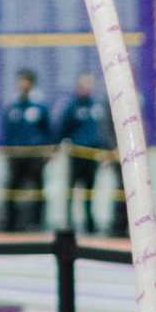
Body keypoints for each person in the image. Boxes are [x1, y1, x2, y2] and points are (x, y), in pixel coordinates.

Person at [56, 74, 113, 234]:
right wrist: (57, 147)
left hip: (92, 155)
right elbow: (63, 128)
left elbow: (103, 131)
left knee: (90, 191)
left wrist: (106, 152)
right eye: (84, 85)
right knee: (72, 189)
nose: (87, 88)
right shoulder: (72, 106)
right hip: (76, 155)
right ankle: (68, 222)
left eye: (89, 85)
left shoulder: (96, 107)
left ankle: (90, 223)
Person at [0, 69, 52, 232]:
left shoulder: (39, 107)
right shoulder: (12, 107)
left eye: (26, 81)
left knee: (37, 189)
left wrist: (47, 152)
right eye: (20, 81)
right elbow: (7, 132)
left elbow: (48, 131)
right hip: (16, 155)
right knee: (12, 189)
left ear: (31, 84)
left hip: (35, 155)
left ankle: (37, 223)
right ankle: (10, 223)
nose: (22, 84)